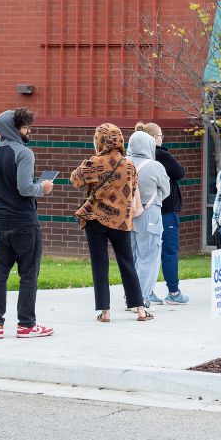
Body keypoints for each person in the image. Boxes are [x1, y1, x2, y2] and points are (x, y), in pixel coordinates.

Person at [0, 109, 54, 339]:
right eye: (24, 127)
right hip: (24, 224)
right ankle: (26, 325)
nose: (28, 131)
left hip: (1, 225)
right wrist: (42, 188)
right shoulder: (24, 153)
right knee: (29, 275)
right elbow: (25, 188)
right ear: (14, 129)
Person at [71, 123, 152, 322]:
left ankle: (105, 312)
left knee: (100, 264)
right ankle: (140, 310)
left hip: (95, 219)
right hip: (121, 222)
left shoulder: (95, 162)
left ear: (99, 140)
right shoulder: (130, 165)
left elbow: (74, 179)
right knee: (127, 264)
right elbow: (132, 192)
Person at [142, 122, 190, 305]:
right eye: (161, 135)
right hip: (165, 210)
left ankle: (145, 290)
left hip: (143, 211)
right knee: (169, 251)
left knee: (145, 252)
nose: (163, 138)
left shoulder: (134, 157)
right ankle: (174, 292)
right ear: (154, 138)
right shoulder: (161, 155)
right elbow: (179, 172)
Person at [127, 126, 170, 309]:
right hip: (149, 214)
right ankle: (141, 298)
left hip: (127, 216)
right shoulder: (154, 166)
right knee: (149, 258)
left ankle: (129, 296)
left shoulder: (123, 163)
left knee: (132, 258)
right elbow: (166, 191)